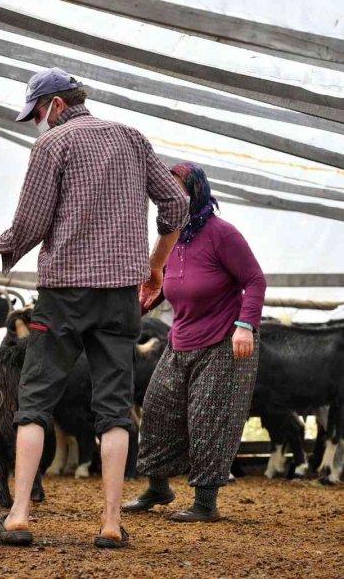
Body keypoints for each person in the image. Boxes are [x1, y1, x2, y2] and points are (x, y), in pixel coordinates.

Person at [0, 68, 189, 548]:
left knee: (34, 402)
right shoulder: (132, 138)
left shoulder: (53, 144)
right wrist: (155, 266)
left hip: (64, 293)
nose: (37, 123)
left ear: (56, 104)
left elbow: (30, 223)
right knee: (114, 407)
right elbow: (176, 203)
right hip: (120, 293)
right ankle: (110, 523)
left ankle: (19, 515)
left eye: (37, 113)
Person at [123, 162, 266, 522]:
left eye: (177, 190)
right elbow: (167, 282)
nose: (169, 197)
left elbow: (255, 280)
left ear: (196, 192)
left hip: (223, 341)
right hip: (180, 338)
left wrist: (245, 326)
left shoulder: (222, 234)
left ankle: (205, 502)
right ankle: (158, 488)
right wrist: (140, 306)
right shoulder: (170, 237)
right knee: (157, 408)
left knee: (209, 417)